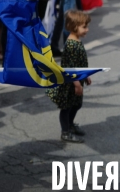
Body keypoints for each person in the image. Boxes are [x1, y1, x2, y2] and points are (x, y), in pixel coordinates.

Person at [46, 10, 92, 143]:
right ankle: (65, 132)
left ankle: (70, 125)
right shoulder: (71, 45)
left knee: (76, 104)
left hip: (77, 80)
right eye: (84, 27)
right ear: (73, 26)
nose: (87, 30)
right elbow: (70, 68)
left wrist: (86, 75)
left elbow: (79, 63)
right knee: (67, 107)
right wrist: (77, 84)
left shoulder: (76, 41)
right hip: (70, 84)